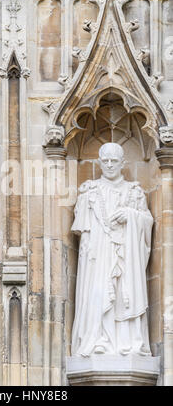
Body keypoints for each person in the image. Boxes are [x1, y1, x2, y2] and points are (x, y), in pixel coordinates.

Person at [71, 143, 153, 357]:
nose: (109, 165)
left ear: (123, 163)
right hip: (99, 256)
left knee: (124, 294)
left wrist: (131, 216)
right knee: (98, 294)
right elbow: (83, 233)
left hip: (127, 255)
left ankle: (127, 343)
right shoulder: (89, 191)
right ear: (98, 162)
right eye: (105, 160)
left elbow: (147, 222)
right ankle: (99, 339)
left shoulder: (134, 192)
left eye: (114, 161)